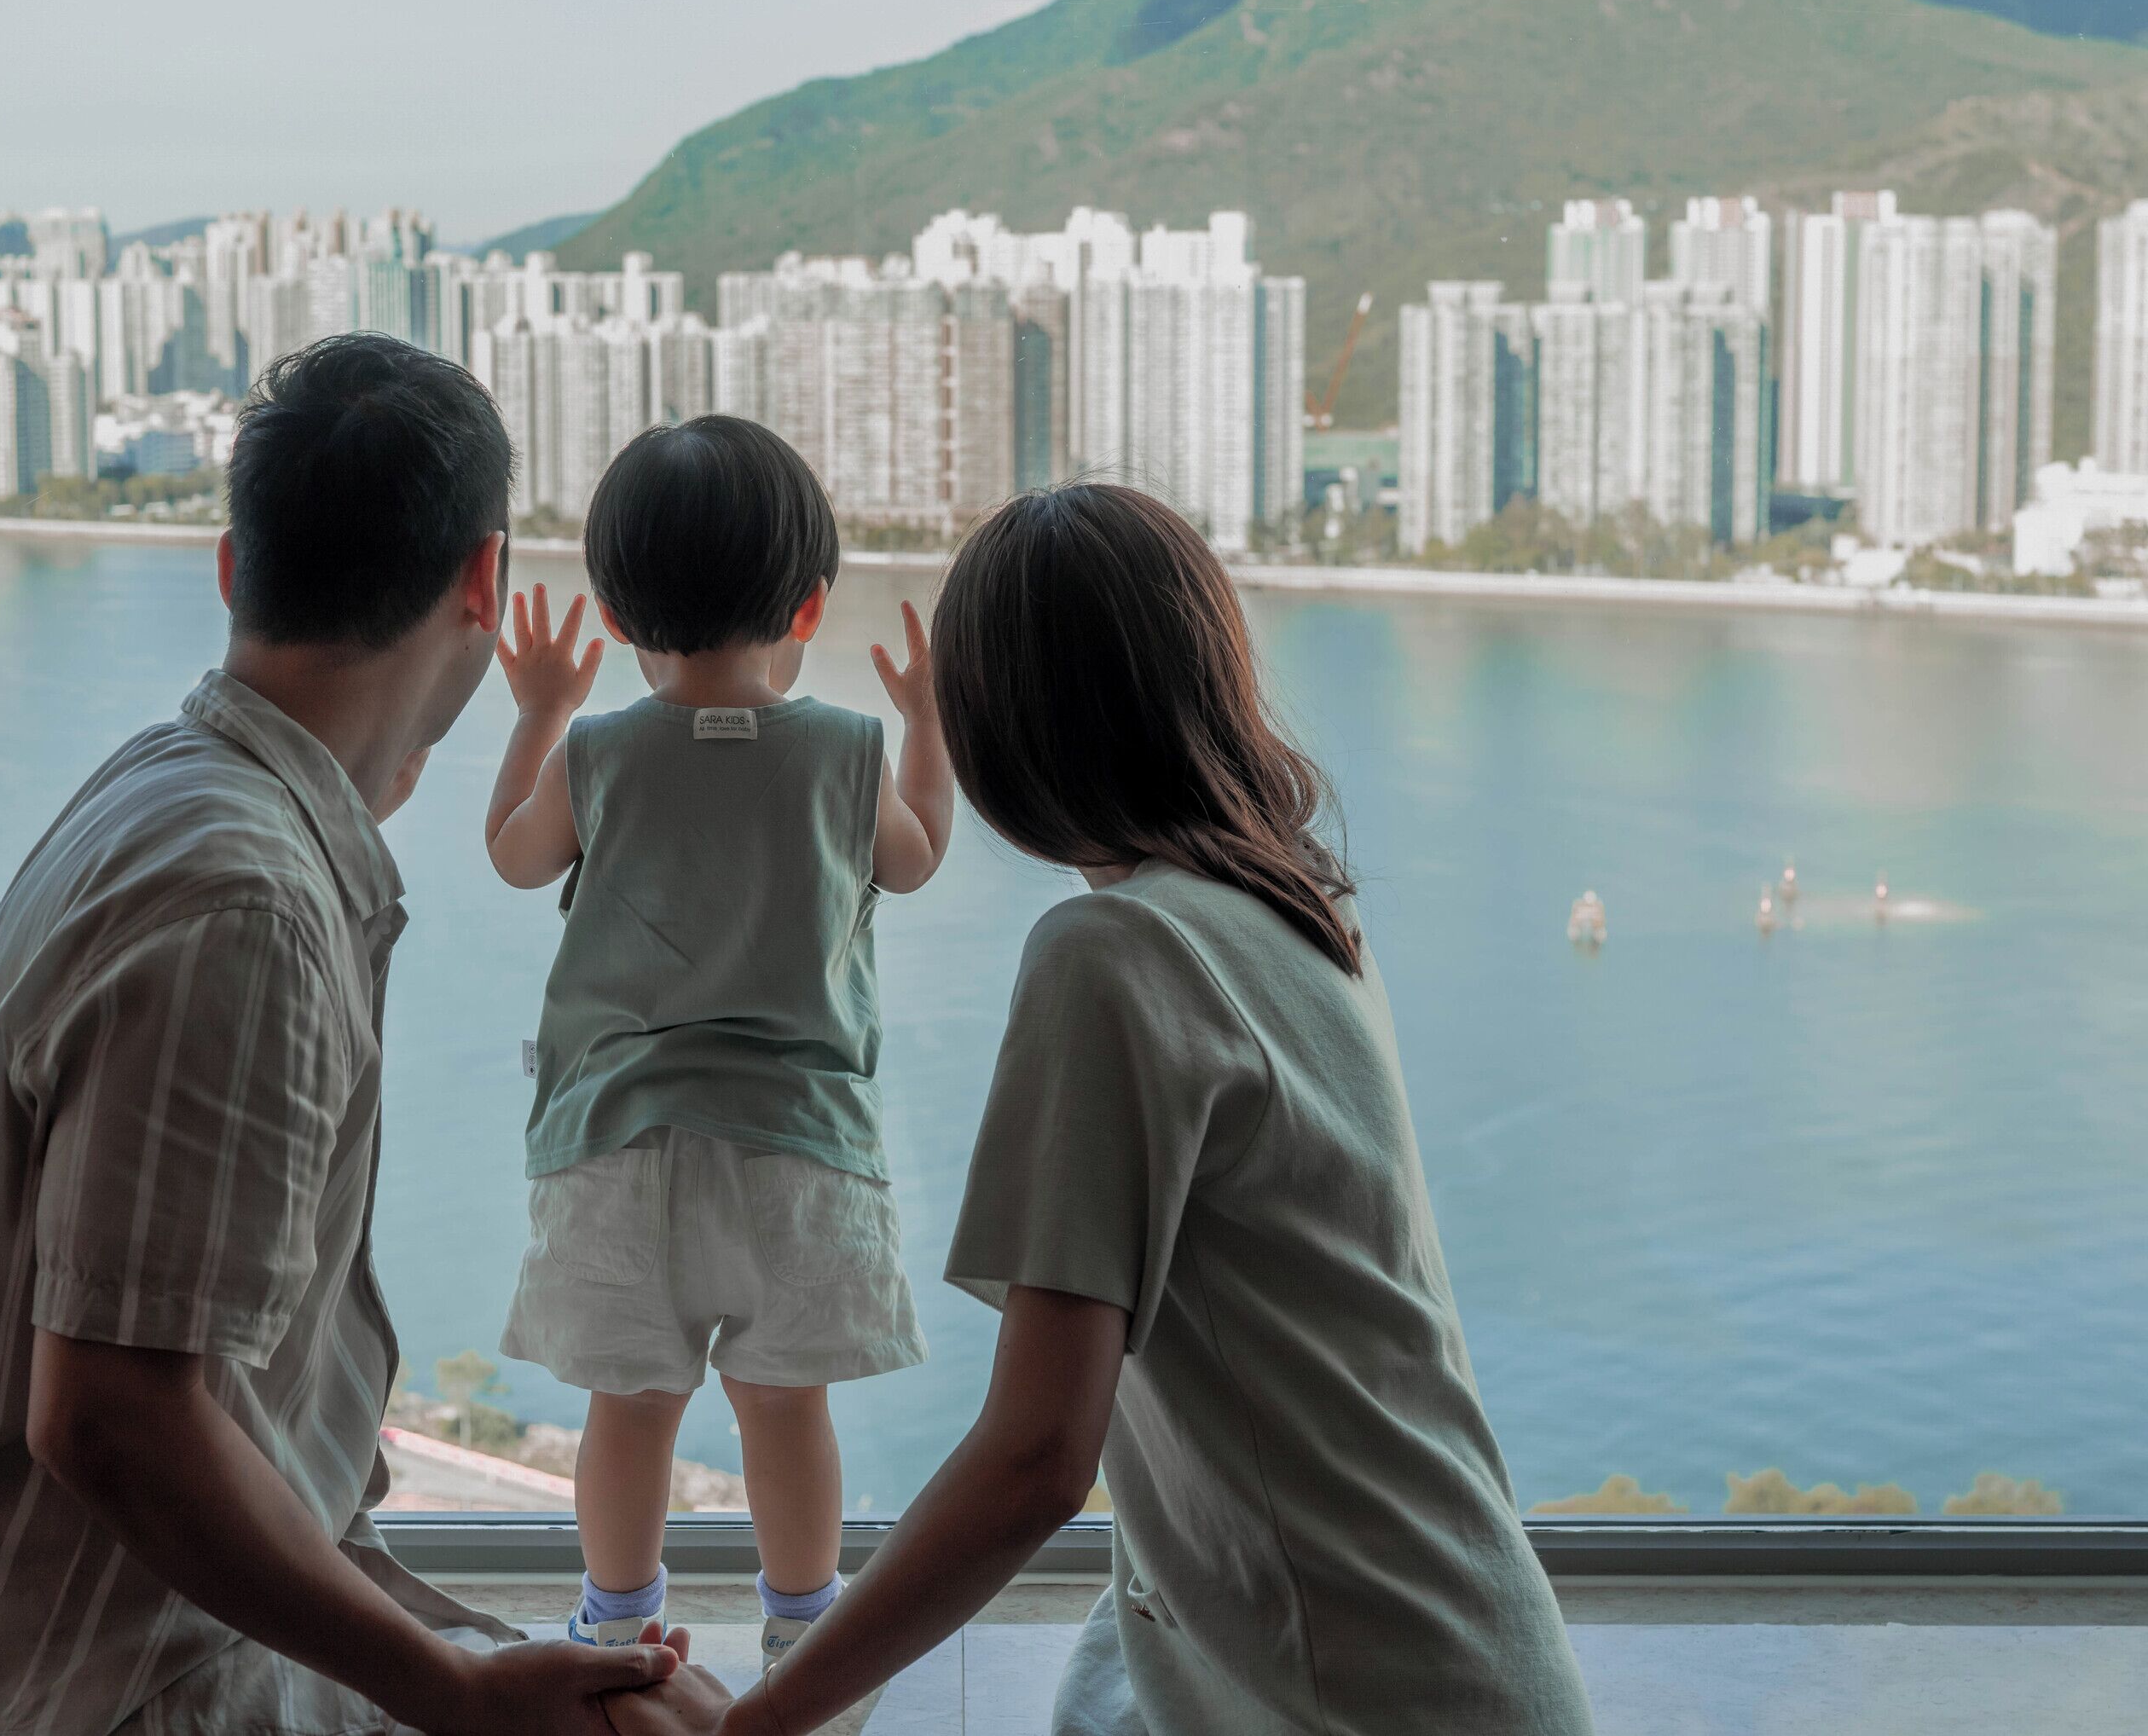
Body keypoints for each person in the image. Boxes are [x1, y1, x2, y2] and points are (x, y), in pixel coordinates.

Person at [0, 335, 680, 1736]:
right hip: (52, 1695)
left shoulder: (177, 795)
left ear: (233, 569)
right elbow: (113, 1418)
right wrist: (449, 1688)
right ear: (486, 584)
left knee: (651, 1713)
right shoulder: (244, 903)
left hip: (22, 1655)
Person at [607, 483, 1594, 1736]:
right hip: (1457, 1654)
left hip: (1348, 1696)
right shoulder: (1298, 905)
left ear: (1003, 733)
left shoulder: (1113, 956)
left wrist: (755, 1725)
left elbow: (1037, 1460)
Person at [483, 415, 952, 1677]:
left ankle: (616, 1627)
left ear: (617, 614)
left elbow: (514, 855)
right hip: (800, 1150)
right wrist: (927, 725)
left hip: (617, 1145)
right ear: (809, 606)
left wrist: (542, 711)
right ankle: (803, 1632)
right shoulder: (847, 752)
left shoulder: (597, 754)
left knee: (631, 1409)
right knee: (786, 1409)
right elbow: (917, 859)